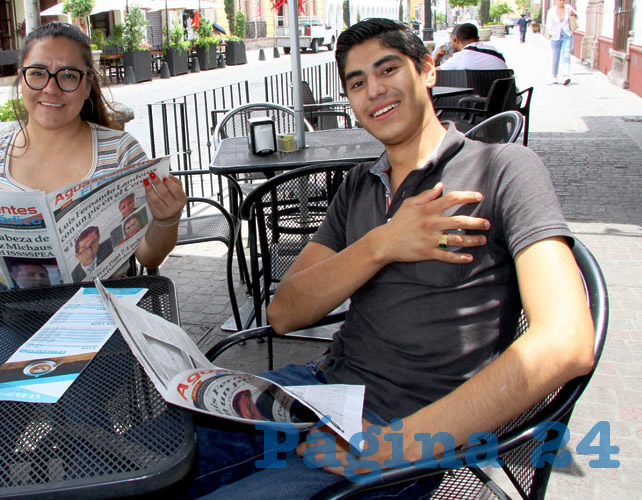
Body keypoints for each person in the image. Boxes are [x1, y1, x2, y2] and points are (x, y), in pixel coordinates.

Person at [185, 18, 594, 499]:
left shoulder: (501, 169)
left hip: (399, 435)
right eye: (357, 83)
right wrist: (383, 242)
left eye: (388, 69)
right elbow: (285, 313)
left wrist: (394, 447)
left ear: (427, 70)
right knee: (154, 456)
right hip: (315, 391)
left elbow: (566, 341)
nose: (374, 91)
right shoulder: (359, 185)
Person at [0, 22, 185, 278]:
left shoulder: (120, 151)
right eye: (37, 73)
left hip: (101, 311)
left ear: (87, 85)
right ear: (21, 79)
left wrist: (167, 218)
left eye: (68, 75)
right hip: (11, 315)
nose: (50, 88)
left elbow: (149, 256)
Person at [439, 23, 508, 70]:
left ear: (457, 39)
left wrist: (436, 58)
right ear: (477, 39)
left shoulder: (460, 57)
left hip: (480, 91)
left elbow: (433, 73)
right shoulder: (493, 50)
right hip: (506, 90)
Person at [547, 0, 577, 85]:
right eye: (560, 0)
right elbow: (549, 23)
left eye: (563, 0)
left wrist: (573, 14)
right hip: (555, 36)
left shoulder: (568, 8)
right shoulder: (551, 11)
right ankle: (554, 76)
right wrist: (549, 32)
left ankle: (566, 76)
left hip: (567, 35)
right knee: (555, 57)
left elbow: (577, 17)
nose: (562, 1)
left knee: (566, 55)